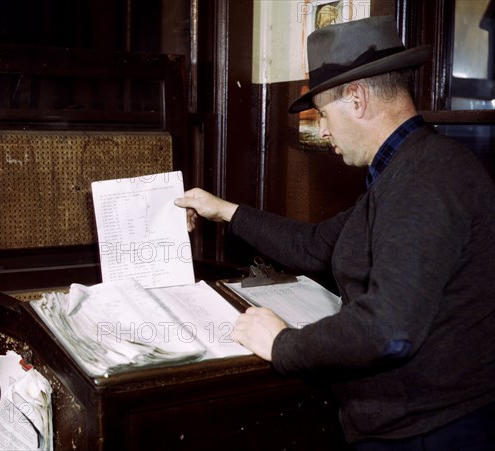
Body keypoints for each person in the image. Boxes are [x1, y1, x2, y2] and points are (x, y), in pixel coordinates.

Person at [174, 16, 495, 451]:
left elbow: (387, 331)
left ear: (357, 99)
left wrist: (283, 344)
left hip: (429, 431)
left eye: (323, 113)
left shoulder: (426, 179)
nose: (323, 131)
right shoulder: (405, 170)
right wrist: (223, 211)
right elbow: (314, 246)